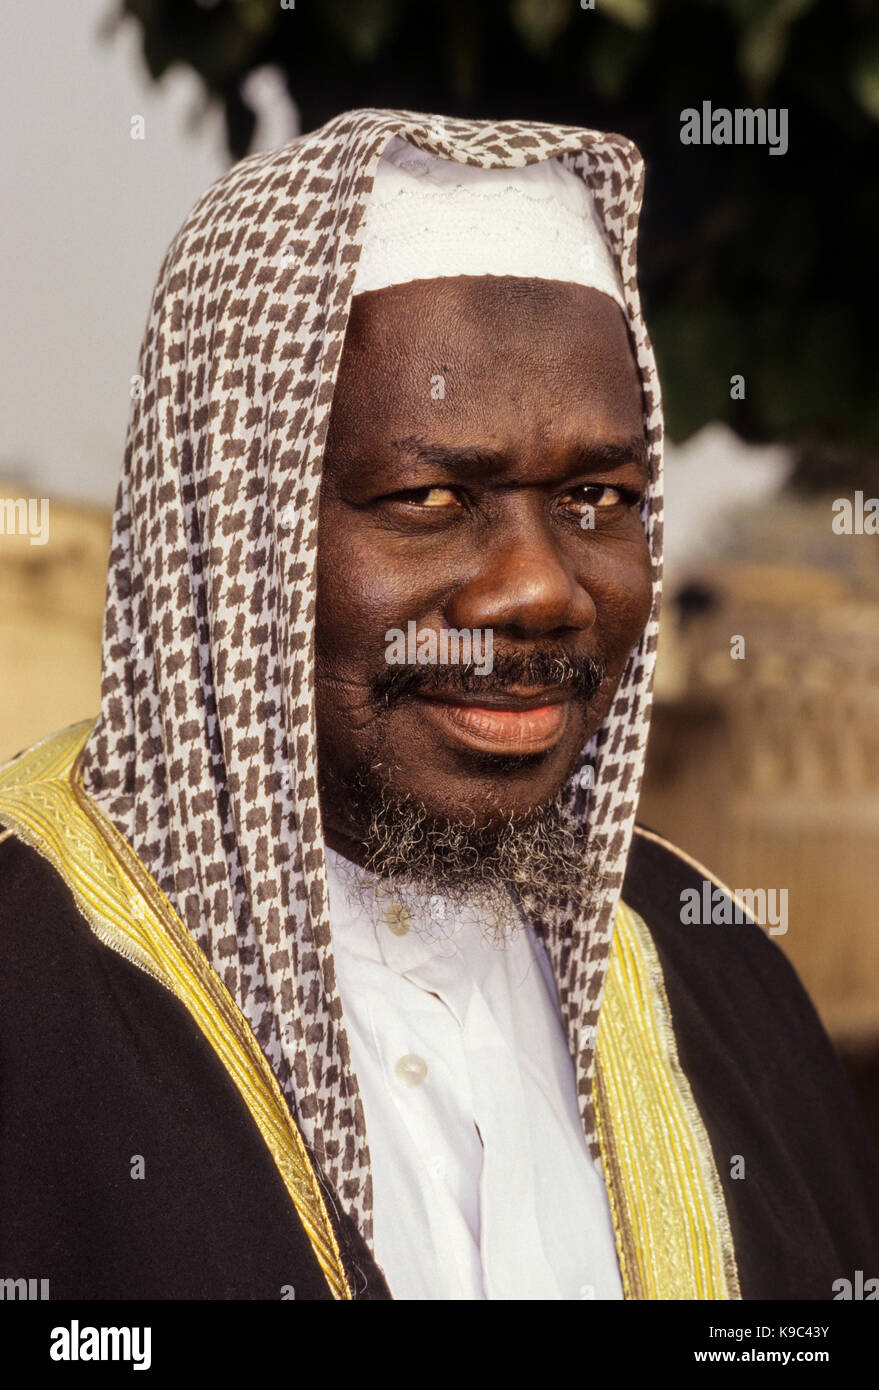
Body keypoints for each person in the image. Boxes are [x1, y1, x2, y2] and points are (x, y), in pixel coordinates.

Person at [1, 108, 877, 1301]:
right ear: (230, 527)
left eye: (594, 494)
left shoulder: (712, 972)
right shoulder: (30, 984)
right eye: (426, 495)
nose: (538, 588)